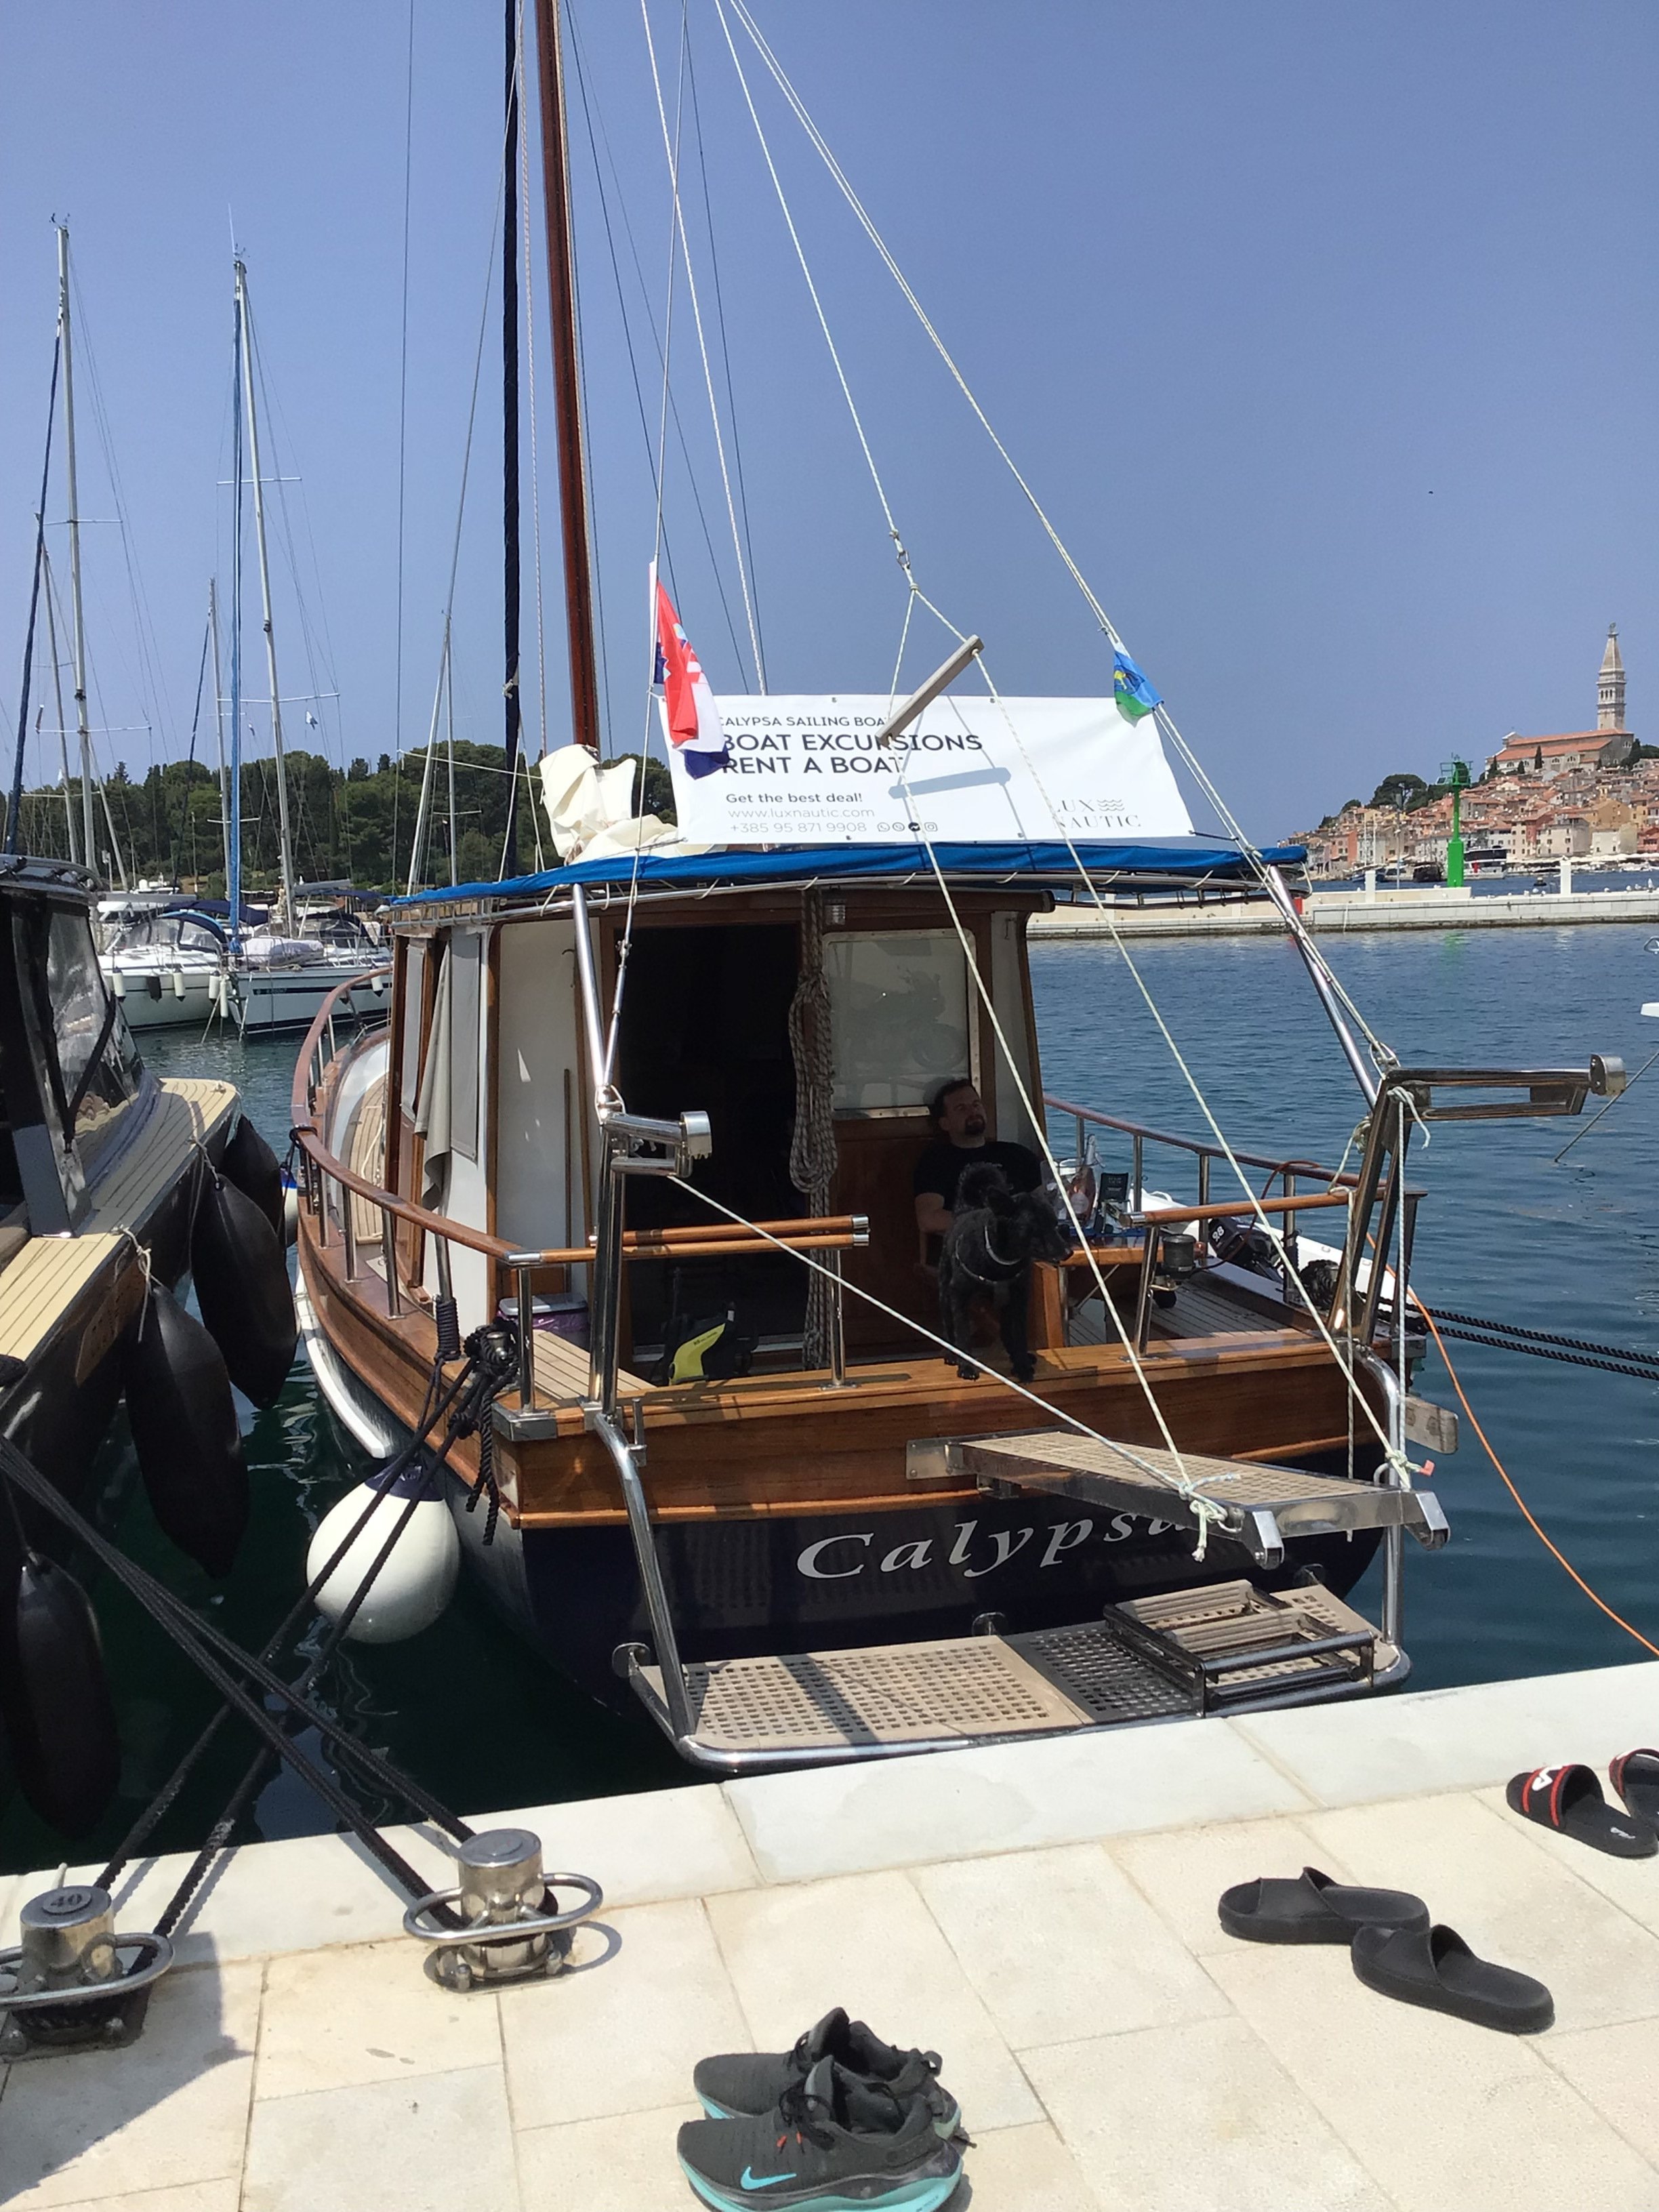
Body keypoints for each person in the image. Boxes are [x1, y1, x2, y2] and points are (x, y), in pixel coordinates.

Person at [912, 1077, 1042, 1261]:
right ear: (945, 1123)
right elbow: (928, 1219)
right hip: (972, 1255)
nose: (972, 1112)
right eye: (961, 1109)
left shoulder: (1017, 1154)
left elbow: (1046, 1202)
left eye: (976, 1105)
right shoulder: (936, 1162)